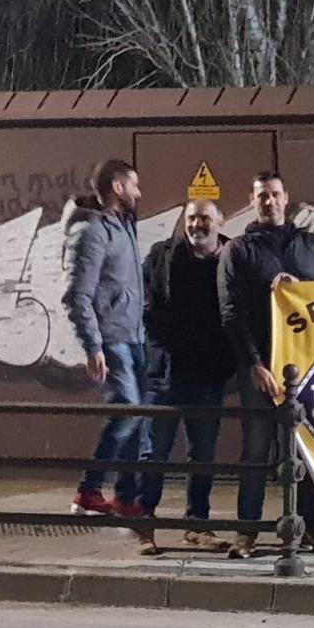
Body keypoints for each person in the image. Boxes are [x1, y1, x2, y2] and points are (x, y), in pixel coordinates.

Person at [218, 171, 314, 558]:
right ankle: (247, 533)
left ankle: (308, 528)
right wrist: (254, 364)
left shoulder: (312, 245)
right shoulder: (238, 250)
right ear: (253, 200)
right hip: (259, 368)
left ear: (286, 198)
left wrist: (303, 290)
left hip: (306, 370)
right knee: (255, 453)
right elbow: (230, 312)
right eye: (262, 196)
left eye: (275, 195)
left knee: (304, 454)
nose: (269, 201)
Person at [138, 199, 234, 554]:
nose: (197, 224)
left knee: (203, 455)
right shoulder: (162, 256)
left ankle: (197, 526)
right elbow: (148, 308)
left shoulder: (231, 258)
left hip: (207, 376)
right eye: (191, 218)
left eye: (205, 218)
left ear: (219, 222)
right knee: (154, 454)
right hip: (165, 374)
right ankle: (145, 526)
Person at [62, 160, 149, 548]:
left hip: (133, 337)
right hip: (112, 339)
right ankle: (89, 490)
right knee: (127, 409)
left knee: (138, 415)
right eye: (134, 185)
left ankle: (126, 498)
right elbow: (77, 294)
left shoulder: (122, 227)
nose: (139, 193)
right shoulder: (92, 231)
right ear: (117, 186)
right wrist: (93, 346)